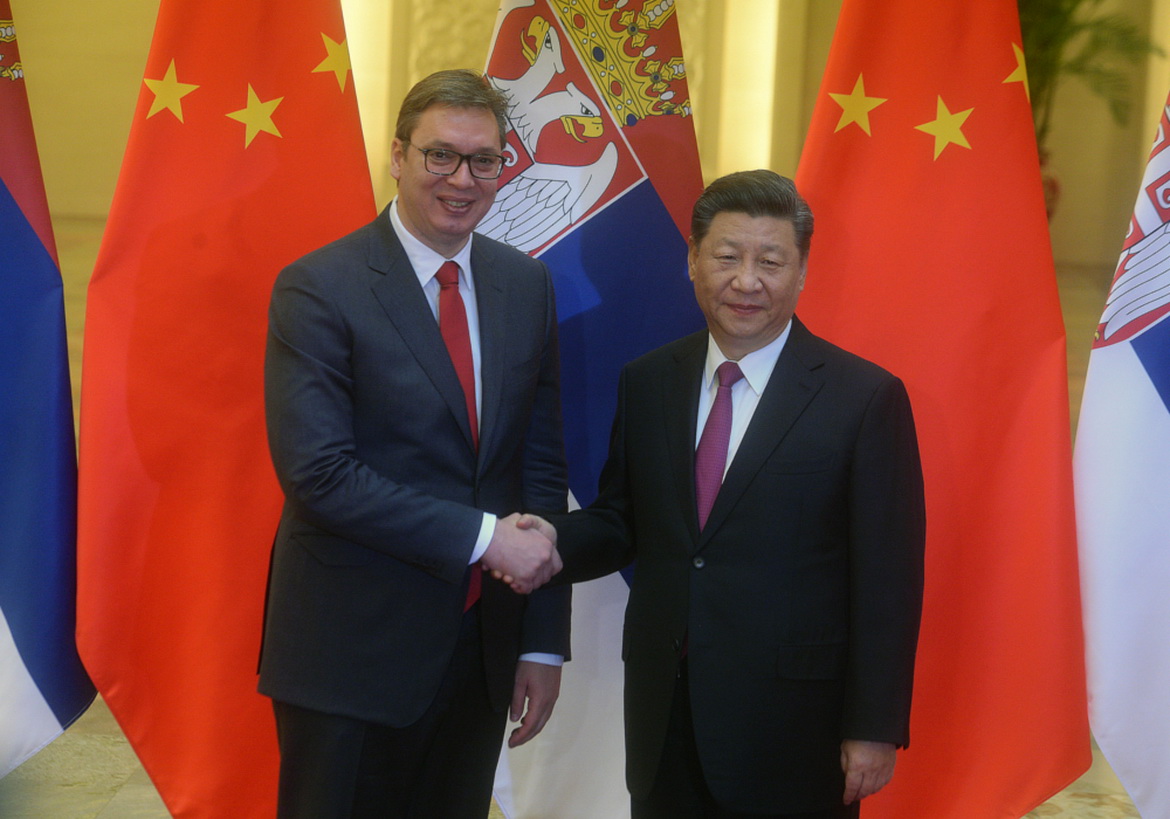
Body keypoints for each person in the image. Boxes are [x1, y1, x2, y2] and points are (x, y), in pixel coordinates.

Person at [518, 170, 925, 818]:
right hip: (664, 715)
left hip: (795, 730)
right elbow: (622, 521)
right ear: (692, 260)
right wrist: (546, 540)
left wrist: (873, 725)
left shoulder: (864, 398)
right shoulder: (650, 380)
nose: (747, 281)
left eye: (771, 262)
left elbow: (888, 581)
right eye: (728, 257)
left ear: (802, 271)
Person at [258, 69, 570, 818]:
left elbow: (538, 466)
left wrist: (541, 641)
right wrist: (486, 538)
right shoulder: (319, 286)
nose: (462, 180)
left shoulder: (525, 285)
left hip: (479, 652)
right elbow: (320, 475)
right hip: (350, 654)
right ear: (397, 156)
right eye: (440, 155)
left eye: (484, 160)